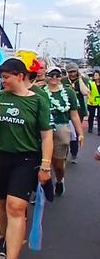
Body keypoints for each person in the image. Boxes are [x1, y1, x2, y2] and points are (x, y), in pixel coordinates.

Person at [0, 58, 53, 259]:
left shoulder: (38, 101)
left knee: (16, 206)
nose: (2, 80)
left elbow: (46, 135)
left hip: (26, 159)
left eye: (6, 77)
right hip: (0, 158)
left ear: (20, 75)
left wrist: (45, 165)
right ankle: (6, 237)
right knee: (0, 203)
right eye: (1, 77)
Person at [44, 66, 84, 196]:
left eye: (57, 75)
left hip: (61, 128)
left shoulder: (68, 93)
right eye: (51, 75)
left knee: (59, 164)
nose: (54, 78)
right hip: (44, 129)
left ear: (61, 77)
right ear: (47, 76)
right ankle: (43, 190)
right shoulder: (40, 92)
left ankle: (60, 180)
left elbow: (74, 115)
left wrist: (80, 134)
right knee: (44, 162)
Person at [62, 63, 89, 163]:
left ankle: (74, 154)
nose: (72, 74)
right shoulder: (63, 81)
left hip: (79, 111)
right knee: (64, 132)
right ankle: (63, 153)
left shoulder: (83, 80)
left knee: (76, 133)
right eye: (70, 72)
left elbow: (85, 92)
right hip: (65, 110)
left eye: (74, 71)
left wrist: (80, 79)